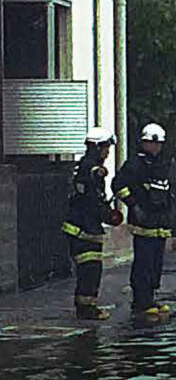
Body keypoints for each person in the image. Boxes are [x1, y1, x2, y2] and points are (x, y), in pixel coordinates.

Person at [112, 123, 174, 325]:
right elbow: (118, 185)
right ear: (145, 142)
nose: (157, 148)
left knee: (156, 264)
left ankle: (150, 298)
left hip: (160, 223)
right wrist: (134, 205)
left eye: (159, 144)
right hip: (144, 223)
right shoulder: (135, 164)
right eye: (153, 144)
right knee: (144, 263)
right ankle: (141, 301)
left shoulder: (160, 164)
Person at [62, 128, 117, 320]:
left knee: (90, 269)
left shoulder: (84, 166)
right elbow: (92, 201)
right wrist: (109, 216)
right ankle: (87, 310)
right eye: (105, 148)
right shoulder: (91, 170)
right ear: (96, 147)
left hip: (83, 226)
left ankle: (85, 307)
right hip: (84, 228)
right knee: (90, 269)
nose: (108, 152)